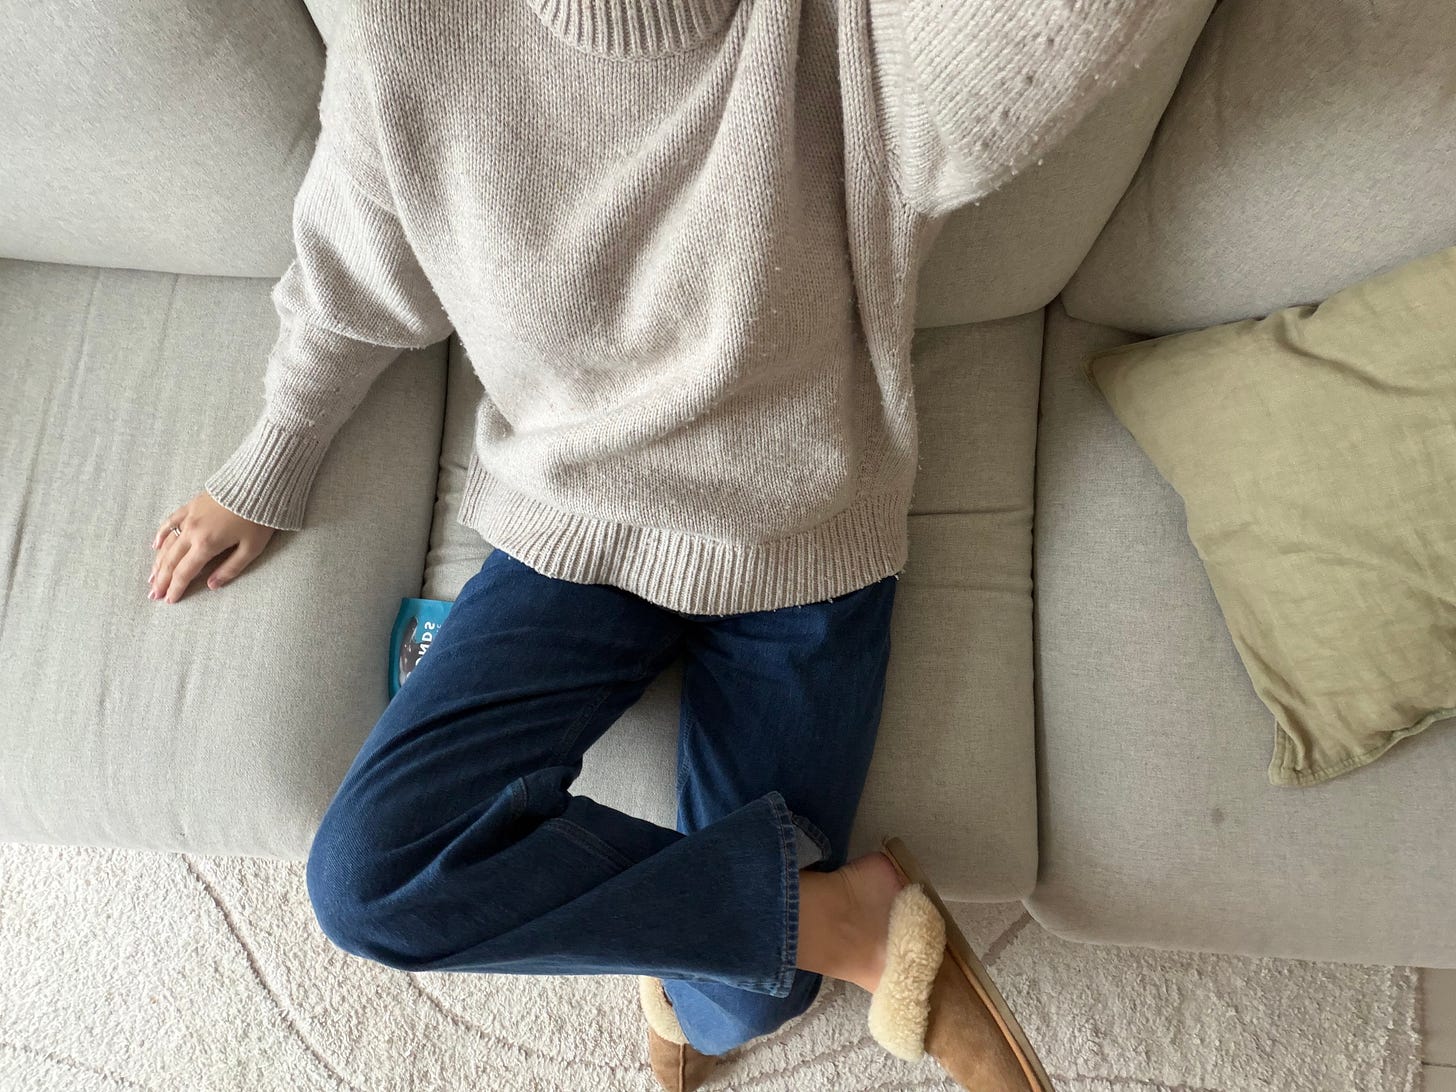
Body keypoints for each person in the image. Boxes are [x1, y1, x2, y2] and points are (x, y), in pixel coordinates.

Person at [146, 1, 1188, 1087]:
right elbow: (353, 276)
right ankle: (831, 919)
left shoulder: (855, 30)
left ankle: (756, 940)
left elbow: (1046, 38)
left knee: (746, 997)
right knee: (370, 883)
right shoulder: (411, 30)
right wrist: (273, 455)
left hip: (801, 542)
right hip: (570, 524)